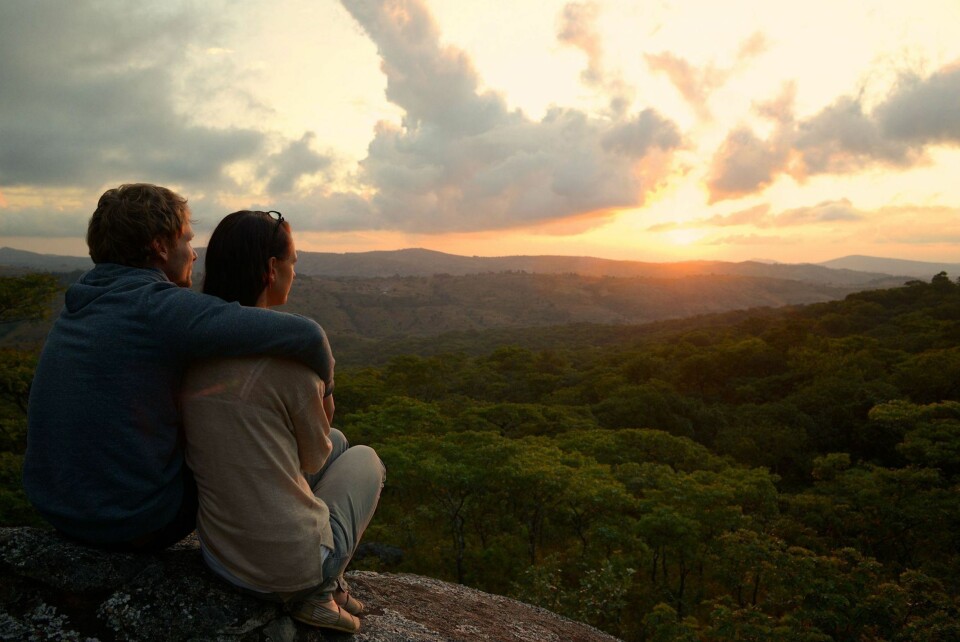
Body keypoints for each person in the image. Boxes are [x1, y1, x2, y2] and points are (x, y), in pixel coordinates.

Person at [23, 184, 335, 553]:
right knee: (246, 447)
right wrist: (326, 390)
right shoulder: (157, 308)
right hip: (132, 522)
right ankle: (290, 555)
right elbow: (307, 335)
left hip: (57, 509)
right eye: (187, 240)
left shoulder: (85, 298)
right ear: (159, 246)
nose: (194, 254)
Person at [181, 210, 384, 634]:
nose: (295, 270)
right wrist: (324, 387)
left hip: (221, 557)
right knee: (365, 458)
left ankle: (328, 583)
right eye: (292, 261)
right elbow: (312, 459)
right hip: (282, 572)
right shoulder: (290, 368)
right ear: (272, 269)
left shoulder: (190, 348)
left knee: (340, 441)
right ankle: (319, 589)